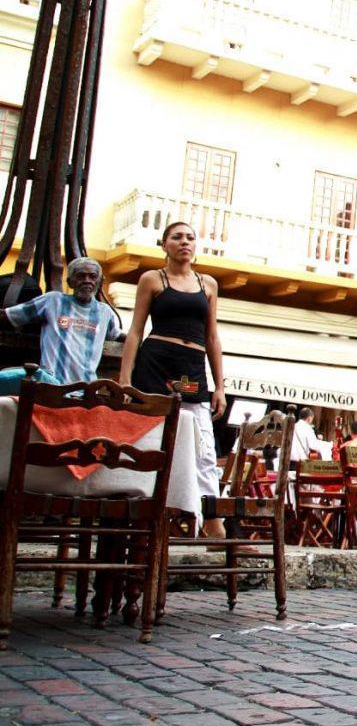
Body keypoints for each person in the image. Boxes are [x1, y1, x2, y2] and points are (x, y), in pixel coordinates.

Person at [119, 222, 227, 539]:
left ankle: (212, 522)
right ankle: (145, 518)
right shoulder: (152, 279)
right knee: (150, 442)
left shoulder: (208, 284)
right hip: (155, 365)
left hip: (191, 369)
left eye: (190, 237)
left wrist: (220, 386)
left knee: (203, 447)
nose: (184, 242)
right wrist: (124, 380)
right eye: (177, 237)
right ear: (164, 244)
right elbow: (136, 331)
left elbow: (212, 337)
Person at [2, 257, 124, 386]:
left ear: (100, 282)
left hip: (86, 389)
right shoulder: (52, 301)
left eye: (92, 276)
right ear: (70, 282)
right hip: (51, 385)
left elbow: (118, 336)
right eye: (80, 276)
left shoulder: (105, 312)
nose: (87, 281)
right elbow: (9, 315)